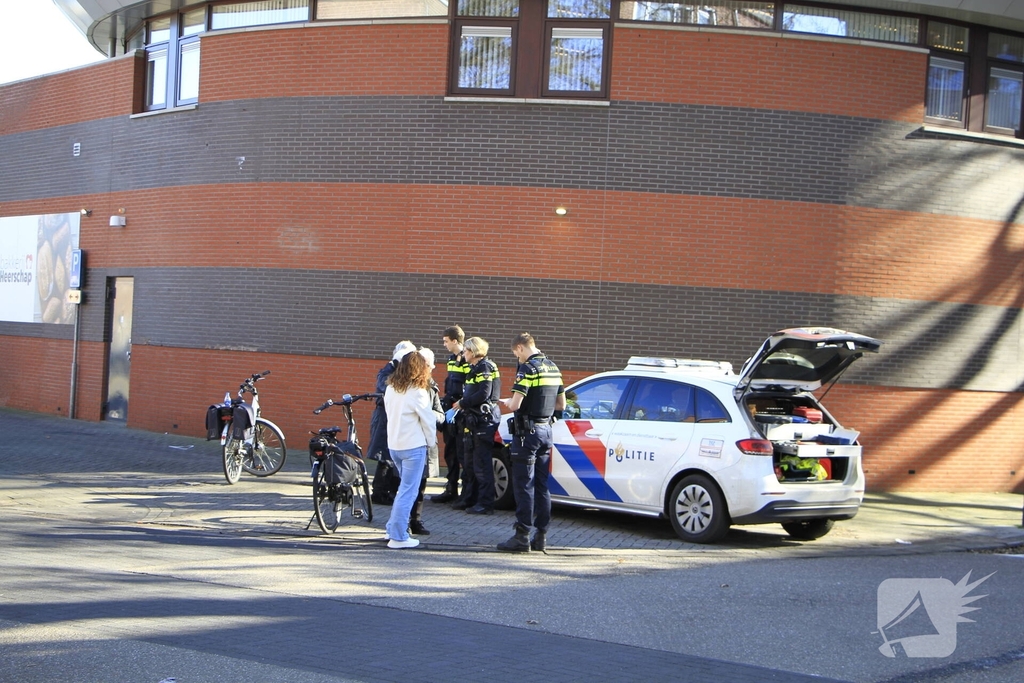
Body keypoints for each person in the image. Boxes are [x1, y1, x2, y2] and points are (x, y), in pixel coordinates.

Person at [498, 333, 564, 553]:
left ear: (520, 347)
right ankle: (541, 536)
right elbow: (561, 403)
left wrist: (508, 401)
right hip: (546, 431)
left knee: (524, 485)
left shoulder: (528, 369)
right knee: (542, 486)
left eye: (516, 353)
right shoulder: (554, 367)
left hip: (527, 433)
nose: (517, 357)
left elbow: (516, 404)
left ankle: (521, 536)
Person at [383, 350, 438, 549]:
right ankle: (398, 536)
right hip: (413, 447)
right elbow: (428, 421)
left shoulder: (390, 388)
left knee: (402, 489)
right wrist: (431, 443)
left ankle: (391, 528)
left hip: (394, 445)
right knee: (408, 491)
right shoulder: (418, 392)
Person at [449, 336, 500, 515]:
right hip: (474, 420)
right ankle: (471, 498)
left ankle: (485, 504)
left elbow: (484, 394)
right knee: (470, 461)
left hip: (483, 420)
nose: (463, 354)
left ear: (474, 351)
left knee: (481, 463)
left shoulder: (484, 367)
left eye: (466, 351)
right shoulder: (476, 367)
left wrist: (462, 403)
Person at [368, 340, 416, 505]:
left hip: (392, 419)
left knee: (391, 458)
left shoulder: (395, 371)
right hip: (385, 420)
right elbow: (385, 388)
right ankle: (379, 492)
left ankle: (388, 491)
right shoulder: (387, 371)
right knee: (385, 458)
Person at [407, 346, 444, 536]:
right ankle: (402, 522)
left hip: (426, 441)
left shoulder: (432, 387)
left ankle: (416, 520)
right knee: (406, 486)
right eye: (429, 365)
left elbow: (440, 413)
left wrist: (430, 416)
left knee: (421, 486)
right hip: (410, 442)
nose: (432, 368)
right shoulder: (406, 386)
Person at [432, 325, 470, 504]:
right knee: (450, 451)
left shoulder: (467, 359)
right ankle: (451, 488)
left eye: (446, 341)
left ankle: (465, 492)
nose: (444, 344)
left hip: (461, 410)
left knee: (462, 453)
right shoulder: (450, 359)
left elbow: (467, 387)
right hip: (450, 409)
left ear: (455, 340)